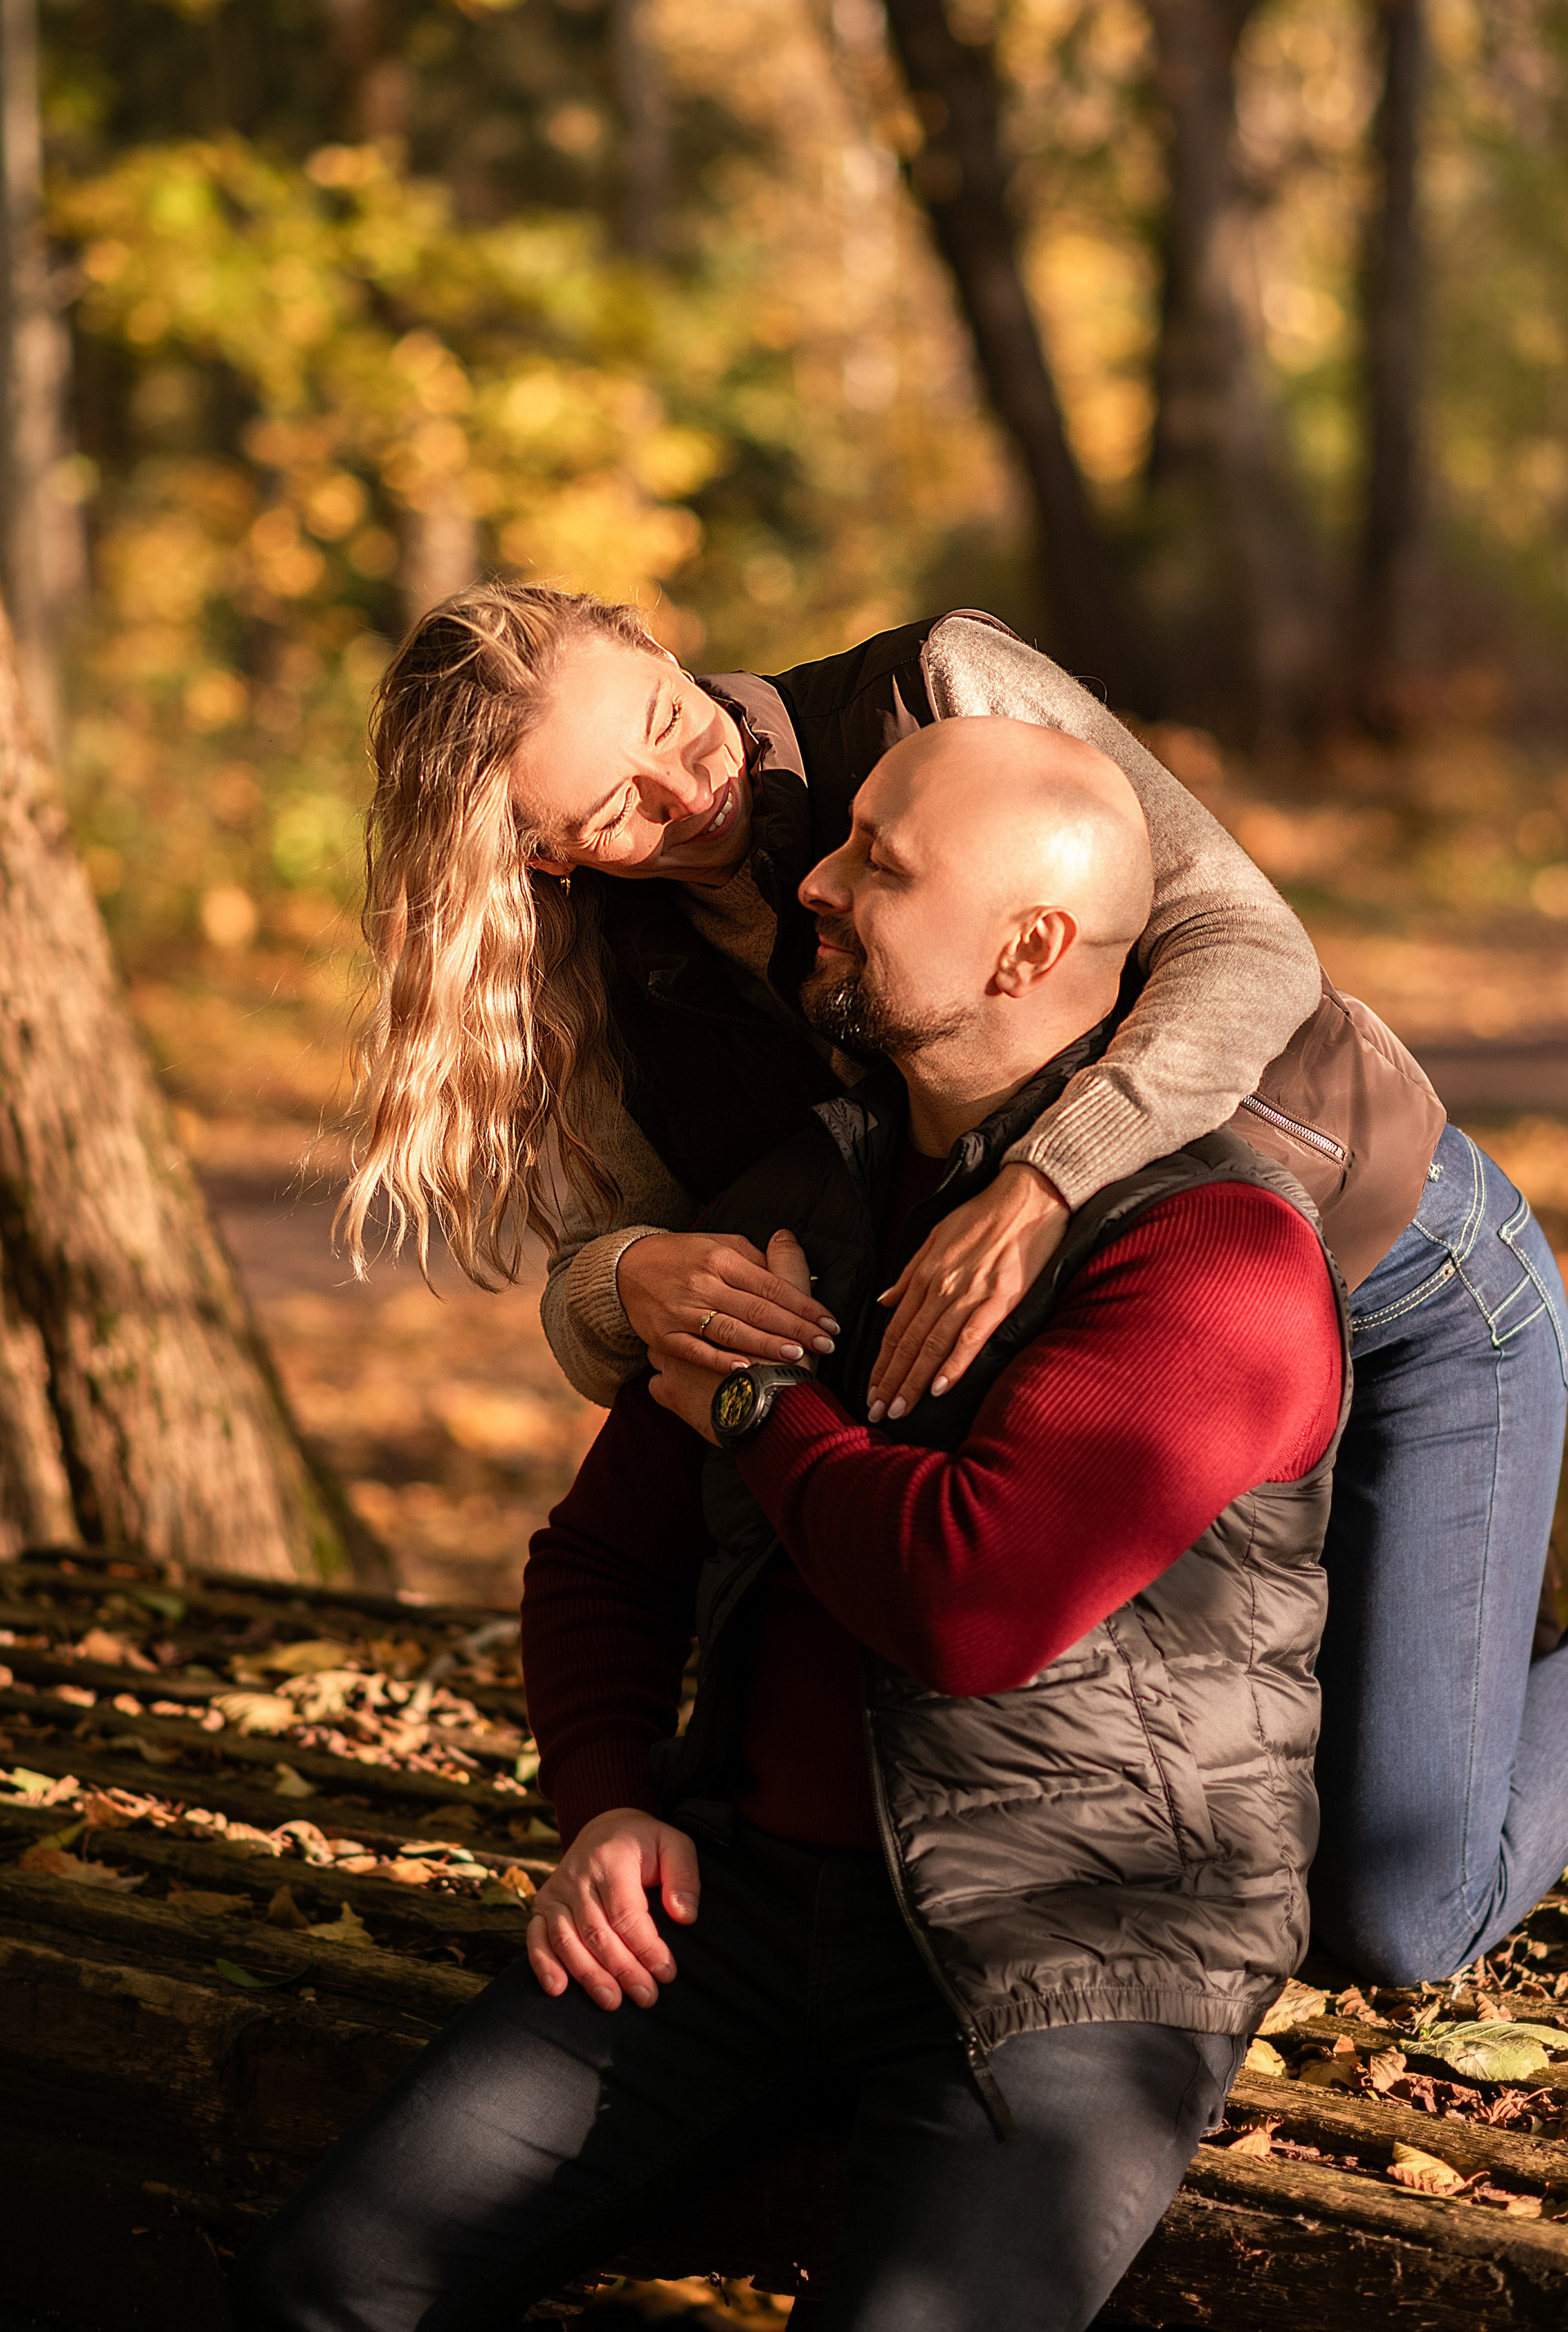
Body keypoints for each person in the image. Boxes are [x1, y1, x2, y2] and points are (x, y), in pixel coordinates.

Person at [341, 586, 1568, 1976]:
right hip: (1120, 1399)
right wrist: (623, 1279)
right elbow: (636, 1306)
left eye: (665, 713)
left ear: (660, 639)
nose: (686, 787)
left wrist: (1046, 1176)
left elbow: (1249, 945)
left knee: (1398, 1917)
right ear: (541, 860)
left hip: (1385, 1274)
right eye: (613, 812)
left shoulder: (929, 696)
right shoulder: (601, 977)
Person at [243, 717, 1352, 2332]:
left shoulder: (1209, 1255)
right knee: (325, 2281)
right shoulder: (805, 1191)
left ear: (1027, 946)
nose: (814, 879)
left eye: (880, 865)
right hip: (739, 1911)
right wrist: (607, 1804)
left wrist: (757, 1411)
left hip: (1066, 1956)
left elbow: (968, 1602)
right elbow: (603, 1555)